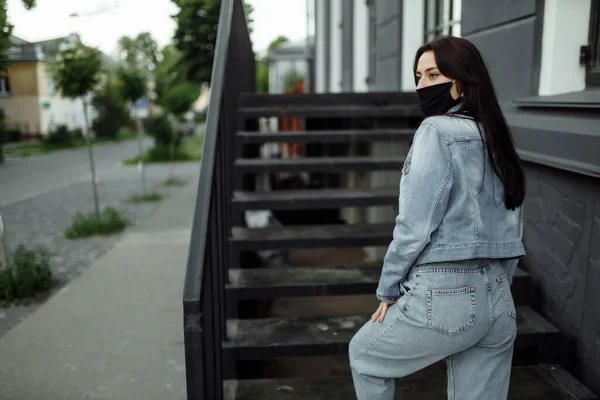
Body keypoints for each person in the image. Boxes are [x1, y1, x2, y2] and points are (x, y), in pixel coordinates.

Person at [348, 36, 526, 400]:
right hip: (497, 297)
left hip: (446, 295)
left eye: (433, 75)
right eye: (418, 76)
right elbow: (514, 225)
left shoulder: (435, 132)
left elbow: (414, 226)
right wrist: (497, 287)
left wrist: (389, 288)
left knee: (365, 356)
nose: (422, 85)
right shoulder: (496, 138)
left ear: (461, 80)